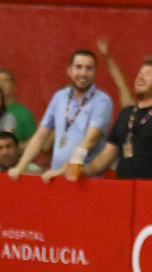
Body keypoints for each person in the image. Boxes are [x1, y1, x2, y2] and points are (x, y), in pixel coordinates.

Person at [9, 49, 113, 181]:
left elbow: (89, 141)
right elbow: (41, 135)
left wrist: (61, 171)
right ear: (69, 70)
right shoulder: (60, 96)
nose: (83, 73)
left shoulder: (102, 101)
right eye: (78, 67)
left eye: (89, 68)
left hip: (84, 180)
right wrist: (20, 167)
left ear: (94, 73)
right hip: (56, 179)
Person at [81, 58, 152, 181]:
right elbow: (107, 155)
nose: (140, 77)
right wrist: (84, 171)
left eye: (147, 74)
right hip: (125, 190)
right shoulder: (126, 113)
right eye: (139, 74)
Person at [0, 68, 36, 144]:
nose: (1, 85)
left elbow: (34, 142)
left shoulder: (24, 114)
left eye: (6, 81)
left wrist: (14, 149)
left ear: (13, 86)